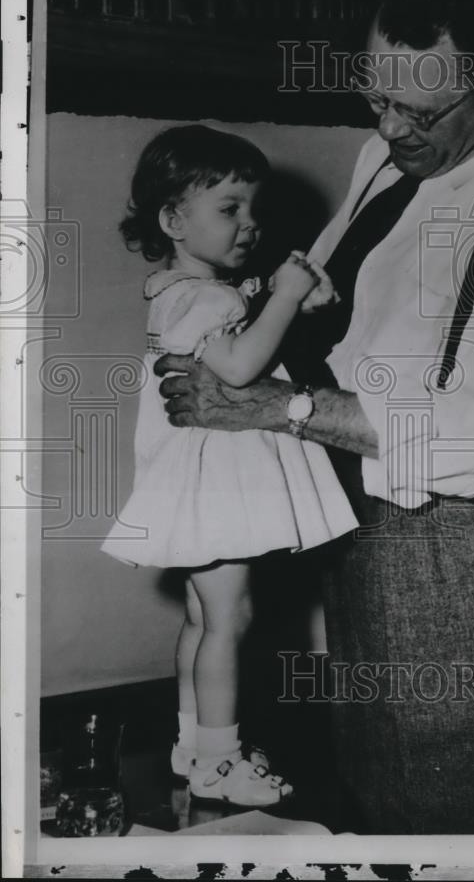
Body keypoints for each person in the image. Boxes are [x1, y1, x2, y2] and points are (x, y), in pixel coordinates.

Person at [156, 0, 474, 832]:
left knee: (465, 817)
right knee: (379, 804)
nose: (389, 128)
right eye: (374, 94)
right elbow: (326, 307)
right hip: (372, 544)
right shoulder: (395, 158)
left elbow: (473, 439)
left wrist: (269, 408)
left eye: (419, 108)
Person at [101, 125, 357, 808]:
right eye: (229, 208)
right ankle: (219, 757)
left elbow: (239, 345)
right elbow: (242, 370)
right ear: (173, 219)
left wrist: (290, 306)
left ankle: (194, 746)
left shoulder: (178, 290)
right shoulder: (206, 298)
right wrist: (281, 296)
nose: (250, 224)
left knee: (202, 619)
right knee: (230, 621)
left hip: (196, 483)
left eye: (254, 209)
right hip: (216, 486)